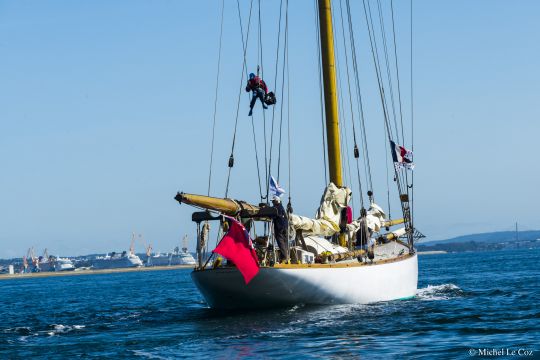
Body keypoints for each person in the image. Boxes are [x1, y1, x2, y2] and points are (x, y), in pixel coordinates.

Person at [271, 195, 289, 263]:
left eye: (273, 201)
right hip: (285, 227)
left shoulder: (276, 208)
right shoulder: (281, 207)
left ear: (276, 201)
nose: (272, 202)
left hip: (279, 228)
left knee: (280, 242)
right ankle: (285, 257)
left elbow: (273, 215)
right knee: (285, 242)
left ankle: (284, 257)